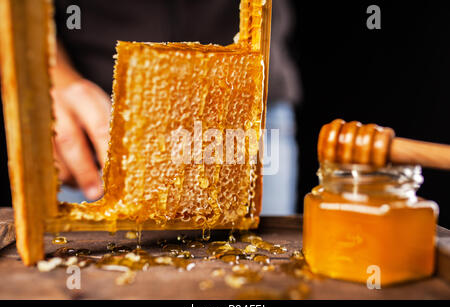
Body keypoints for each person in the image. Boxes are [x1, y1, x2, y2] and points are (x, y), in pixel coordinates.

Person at [28, 0, 300, 214]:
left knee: (254, 275)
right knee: (90, 279)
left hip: (249, 110)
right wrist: (47, 71)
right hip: (93, 116)